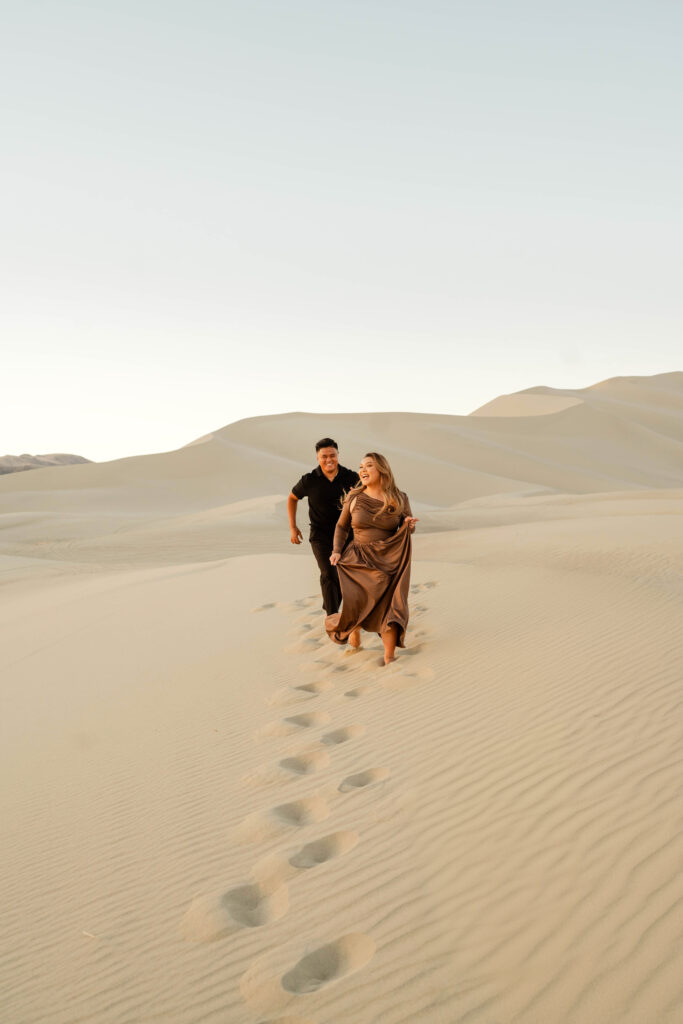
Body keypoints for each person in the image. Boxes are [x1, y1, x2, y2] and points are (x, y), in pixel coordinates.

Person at [326, 452, 418, 664]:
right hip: (357, 559)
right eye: (361, 467)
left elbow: (406, 527)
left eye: (369, 466)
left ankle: (389, 657)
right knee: (357, 605)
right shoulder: (355, 497)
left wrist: (409, 525)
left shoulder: (399, 498)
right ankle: (354, 631)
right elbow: (341, 526)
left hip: (389, 559)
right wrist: (337, 550)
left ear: (382, 470)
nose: (363, 470)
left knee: (390, 607)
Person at [288, 438, 360, 615]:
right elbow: (292, 498)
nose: (329, 460)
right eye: (324, 456)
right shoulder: (309, 480)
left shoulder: (351, 477)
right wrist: (293, 527)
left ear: (338, 455)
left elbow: (368, 498)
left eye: (332, 455)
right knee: (328, 573)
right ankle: (332, 616)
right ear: (317, 458)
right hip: (320, 536)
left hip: (347, 535)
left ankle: (336, 608)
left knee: (344, 575)